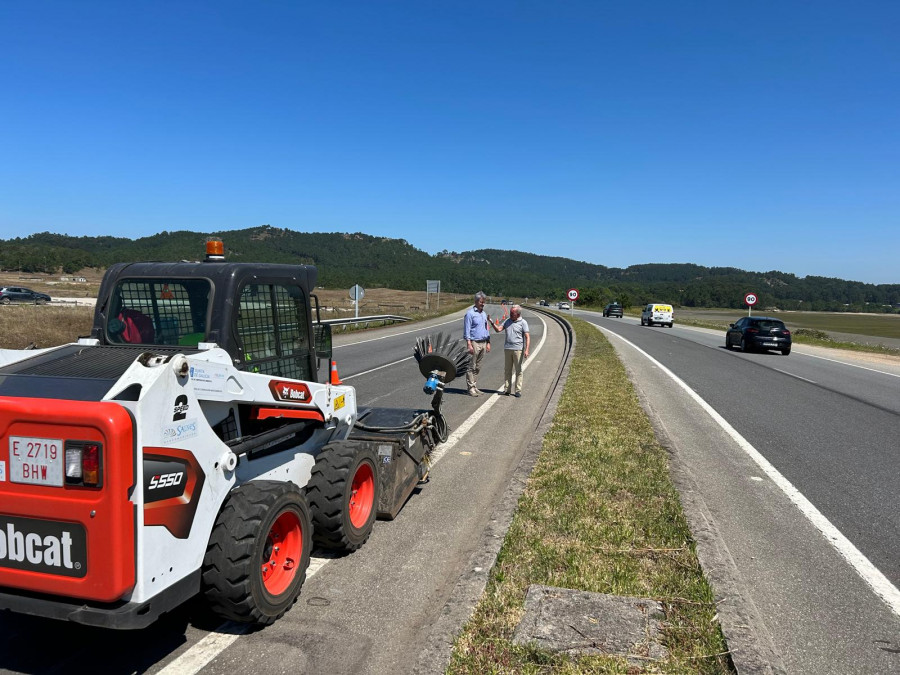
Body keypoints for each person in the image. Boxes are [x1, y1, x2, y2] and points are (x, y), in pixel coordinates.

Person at [488, 304, 530, 398]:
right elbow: (499, 329)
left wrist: (527, 350)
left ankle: (518, 390)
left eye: (512, 313)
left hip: (518, 349)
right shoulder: (507, 321)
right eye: (510, 312)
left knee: (518, 370)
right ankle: (507, 390)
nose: (510, 314)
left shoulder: (523, 322)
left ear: (518, 314)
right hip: (507, 348)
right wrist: (492, 322)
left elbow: (527, 337)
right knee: (507, 370)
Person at [463, 291, 491, 396]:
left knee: (478, 367)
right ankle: (470, 388)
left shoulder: (483, 314)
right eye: (481, 302)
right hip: (474, 342)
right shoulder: (470, 314)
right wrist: (469, 344)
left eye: (483, 302)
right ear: (475, 301)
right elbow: (467, 330)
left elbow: (486, 328)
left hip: (483, 342)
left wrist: (488, 342)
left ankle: (474, 386)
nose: (482, 304)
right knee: (471, 366)